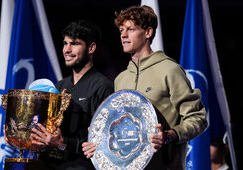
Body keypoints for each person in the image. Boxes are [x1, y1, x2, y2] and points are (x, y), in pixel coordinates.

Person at [82, 5, 208, 170]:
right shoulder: (121, 79)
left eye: (131, 29)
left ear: (148, 32)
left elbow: (197, 118)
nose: (124, 35)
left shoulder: (170, 70)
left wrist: (170, 135)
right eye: (121, 30)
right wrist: (98, 137)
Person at [30, 20, 114, 169]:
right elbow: (49, 136)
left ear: (91, 48)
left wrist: (63, 144)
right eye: (65, 43)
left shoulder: (103, 86)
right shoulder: (59, 87)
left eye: (74, 44)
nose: (67, 50)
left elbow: (104, 144)